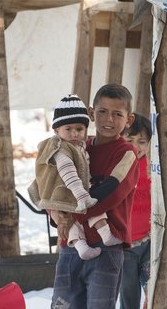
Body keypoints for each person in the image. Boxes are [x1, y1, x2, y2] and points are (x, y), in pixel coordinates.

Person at [50, 84, 138, 309]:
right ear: (91, 113)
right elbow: (50, 184)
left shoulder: (125, 154)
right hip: (70, 245)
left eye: (117, 114)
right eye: (102, 112)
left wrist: (73, 206)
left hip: (106, 249)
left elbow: (111, 192)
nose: (108, 119)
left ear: (128, 120)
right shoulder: (73, 144)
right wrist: (55, 212)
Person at [28, 94, 123, 261]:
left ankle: (96, 240)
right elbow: (69, 174)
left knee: (84, 212)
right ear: (57, 130)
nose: (74, 134)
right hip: (64, 192)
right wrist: (82, 195)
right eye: (68, 129)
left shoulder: (79, 147)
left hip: (71, 191)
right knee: (79, 214)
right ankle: (90, 241)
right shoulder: (61, 150)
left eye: (79, 129)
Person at [119, 114, 153, 309]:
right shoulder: (117, 166)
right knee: (128, 292)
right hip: (125, 243)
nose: (136, 147)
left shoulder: (153, 166)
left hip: (150, 240)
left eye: (142, 142)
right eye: (130, 140)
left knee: (153, 290)